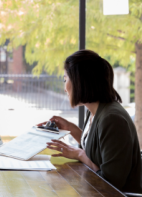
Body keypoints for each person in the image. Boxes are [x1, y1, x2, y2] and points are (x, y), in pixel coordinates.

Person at [38, 49, 142, 193]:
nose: (64, 88)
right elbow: (97, 150)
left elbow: (110, 184)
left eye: (65, 79)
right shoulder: (96, 110)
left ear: (80, 81)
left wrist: (79, 154)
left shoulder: (112, 119)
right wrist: (71, 128)